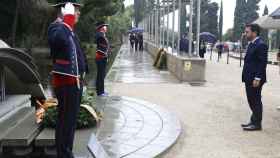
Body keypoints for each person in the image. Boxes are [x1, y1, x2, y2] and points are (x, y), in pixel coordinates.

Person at [48, 0, 88, 157]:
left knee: (70, 121)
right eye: (75, 10)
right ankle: (63, 154)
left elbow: (77, 52)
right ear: (65, 11)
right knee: (65, 121)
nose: (78, 13)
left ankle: (67, 152)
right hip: (65, 83)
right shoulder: (56, 27)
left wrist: (85, 68)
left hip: (74, 82)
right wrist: (68, 20)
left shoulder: (68, 29)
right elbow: (59, 41)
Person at [241, 24, 268, 131]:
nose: (245, 33)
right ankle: (253, 120)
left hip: (255, 79)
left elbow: (262, 63)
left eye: (247, 32)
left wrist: (257, 78)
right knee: (251, 99)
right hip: (249, 77)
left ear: (254, 32)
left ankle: (257, 124)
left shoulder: (261, 45)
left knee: (255, 100)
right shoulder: (252, 44)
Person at [95, 21, 110, 96]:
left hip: (103, 57)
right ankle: (99, 92)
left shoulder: (103, 35)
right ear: (101, 28)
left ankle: (102, 91)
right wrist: (105, 54)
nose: (106, 27)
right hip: (100, 58)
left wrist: (106, 55)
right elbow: (101, 48)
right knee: (100, 75)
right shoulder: (99, 35)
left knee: (102, 75)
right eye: (105, 26)